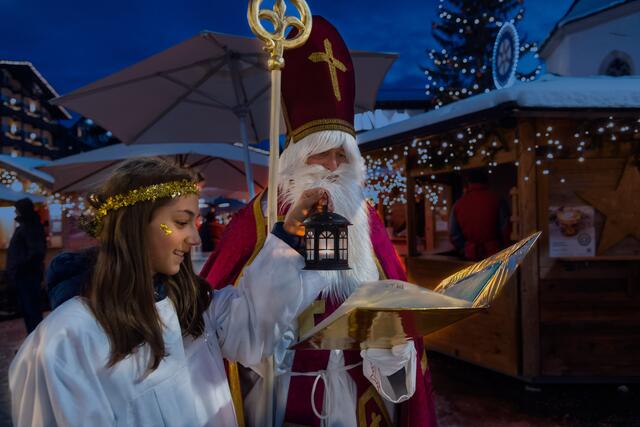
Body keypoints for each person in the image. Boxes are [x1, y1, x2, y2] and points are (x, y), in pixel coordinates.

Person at [200, 16, 437, 427]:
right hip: (281, 393)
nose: (331, 167)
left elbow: (398, 329)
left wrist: (393, 350)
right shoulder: (257, 220)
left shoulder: (366, 220)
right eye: (319, 154)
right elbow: (229, 328)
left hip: (355, 395)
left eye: (340, 156)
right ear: (294, 159)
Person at [9, 157, 333, 427]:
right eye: (180, 222)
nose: (195, 238)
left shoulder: (191, 307)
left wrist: (290, 233)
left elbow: (253, 326)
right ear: (135, 225)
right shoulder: (65, 343)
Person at [449, 168, 511, 260]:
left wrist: (465, 249)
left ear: (469, 183)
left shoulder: (458, 204)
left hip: (471, 254)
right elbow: (505, 228)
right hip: (495, 252)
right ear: (486, 182)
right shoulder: (497, 200)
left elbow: (454, 234)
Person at [6, 197, 47, 333]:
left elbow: (36, 252)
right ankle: (34, 342)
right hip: (25, 275)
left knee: (31, 311)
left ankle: (36, 344)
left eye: (17, 210)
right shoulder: (28, 226)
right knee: (29, 311)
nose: (15, 213)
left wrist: (19, 268)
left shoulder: (29, 227)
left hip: (27, 277)